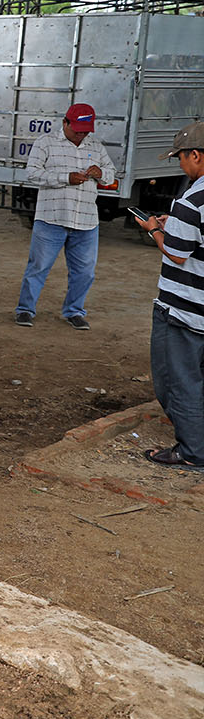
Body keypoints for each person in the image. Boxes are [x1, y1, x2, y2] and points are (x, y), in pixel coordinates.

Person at [134, 122, 204, 471]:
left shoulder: (192, 199)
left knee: (178, 380)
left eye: (181, 157)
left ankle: (193, 451)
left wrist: (156, 230)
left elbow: (176, 254)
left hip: (184, 308)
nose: (179, 165)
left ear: (196, 155)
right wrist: (172, 225)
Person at [15, 103, 114, 330]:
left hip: (87, 221)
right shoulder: (46, 143)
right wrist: (65, 177)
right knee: (38, 267)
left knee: (85, 272)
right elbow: (33, 173)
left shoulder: (96, 147)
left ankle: (74, 311)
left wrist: (102, 174)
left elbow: (110, 175)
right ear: (65, 123)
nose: (81, 133)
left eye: (85, 130)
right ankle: (24, 310)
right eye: (77, 128)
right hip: (52, 219)